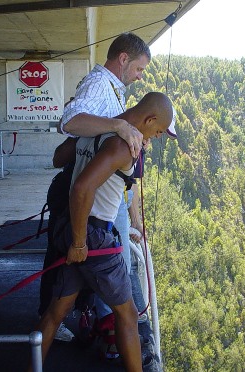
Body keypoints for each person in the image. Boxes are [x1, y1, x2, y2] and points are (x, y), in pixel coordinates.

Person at [31, 91, 175, 372]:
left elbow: (60, 158)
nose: (155, 137)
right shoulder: (121, 145)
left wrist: (76, 239)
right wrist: (79, 243)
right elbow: (82, 188)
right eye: (157, 131)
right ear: (149, 119)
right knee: (129, 316)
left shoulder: (96, 128)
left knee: (55, 313)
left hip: (77, 229)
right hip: (94, 237)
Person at [59, 32, 169, 359]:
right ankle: (124, 340)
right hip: (95, 210)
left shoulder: (112, 89)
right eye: (138, 69)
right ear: (123, 59)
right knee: (117, 279)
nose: (139, 76)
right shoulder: (98, 84)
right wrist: (119, 126)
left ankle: (109, 330)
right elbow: (70, 121)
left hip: (100, 206)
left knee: (82, 284)